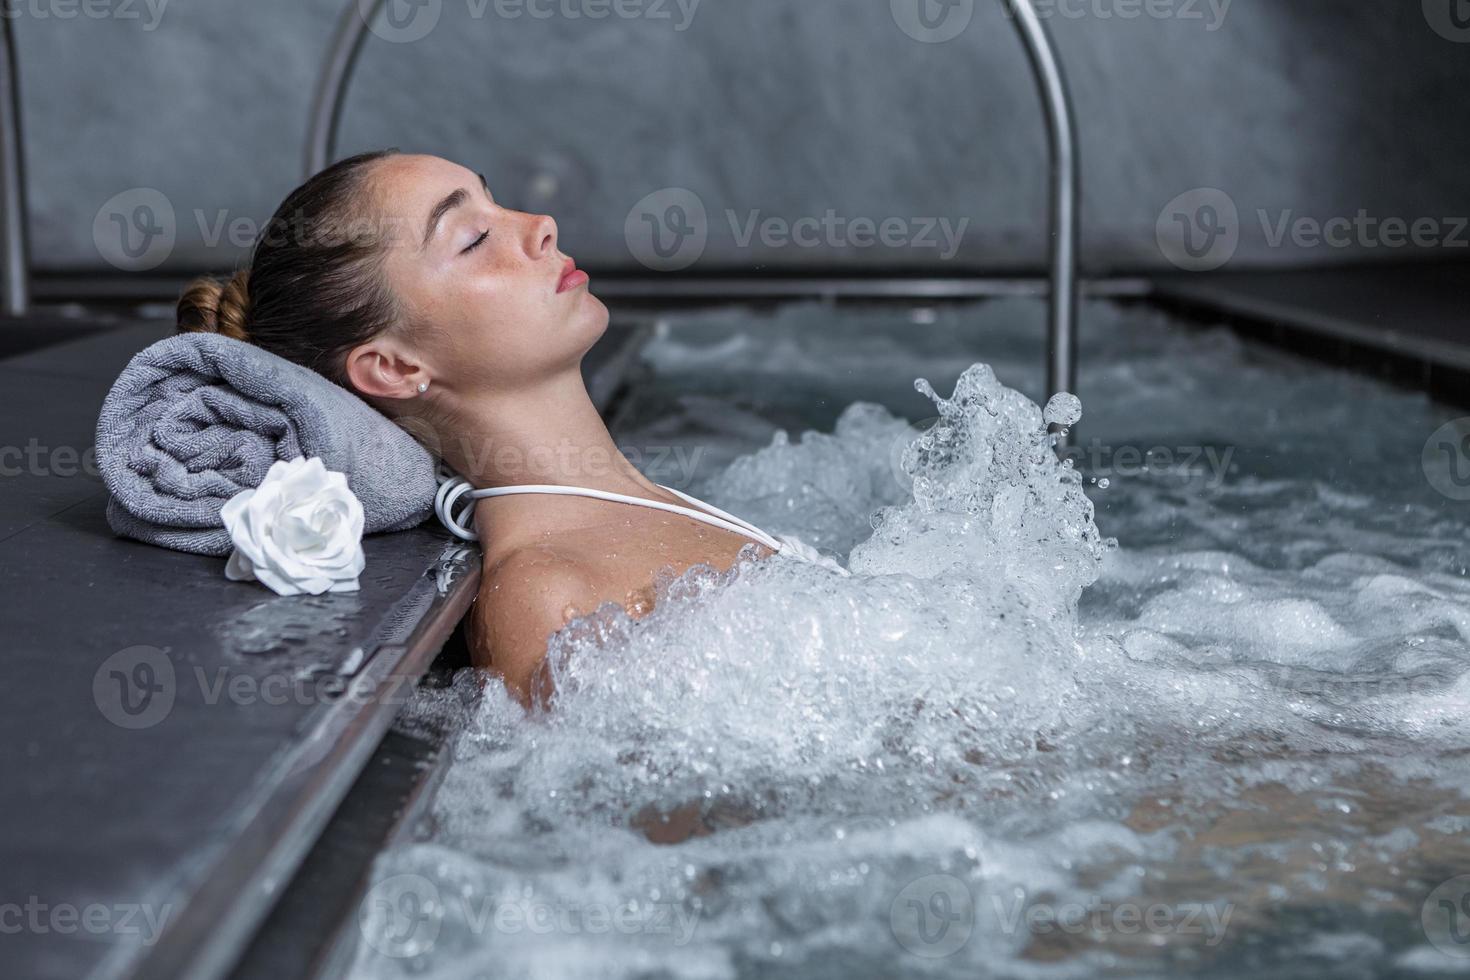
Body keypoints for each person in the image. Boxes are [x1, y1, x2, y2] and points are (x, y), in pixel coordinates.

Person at [178, 150, 789, 707]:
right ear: (394, 368)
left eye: (494, 199)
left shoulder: (621, 516)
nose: (540, 224)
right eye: (473, 238)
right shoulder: (546, 597)